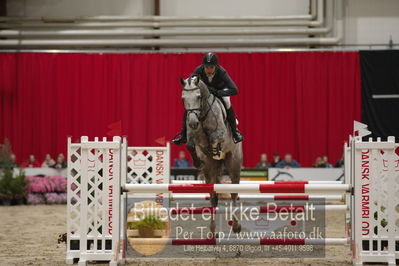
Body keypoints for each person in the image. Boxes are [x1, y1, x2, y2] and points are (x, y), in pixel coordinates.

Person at [172, 52, 244, 145]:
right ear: (203, 66)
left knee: (227, 101)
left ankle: (235, 132)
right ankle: (183, 135)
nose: (208, 70)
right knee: (192, 105)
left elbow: (234, 90)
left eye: (211, 67)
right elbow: (191, 81)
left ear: (216, 67)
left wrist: (218, 93)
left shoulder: (221, 72)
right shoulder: (199, 70)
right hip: (206, 93)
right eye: (206, 67)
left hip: (220, 91)